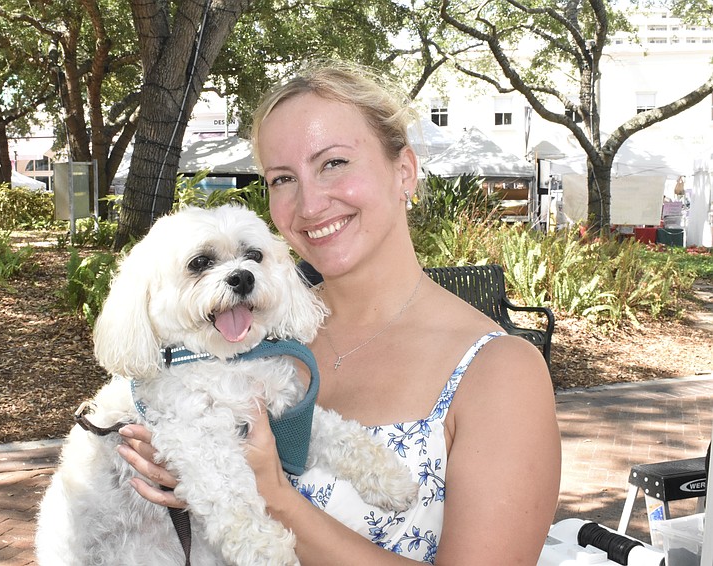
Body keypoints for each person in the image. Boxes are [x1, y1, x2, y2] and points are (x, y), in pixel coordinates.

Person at [116, 60, 561, 564]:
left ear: (405, 171)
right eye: (282, 178)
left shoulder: (501, 373)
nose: (308, 204)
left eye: (333, 163)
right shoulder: (239, 332)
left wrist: (274, 495)